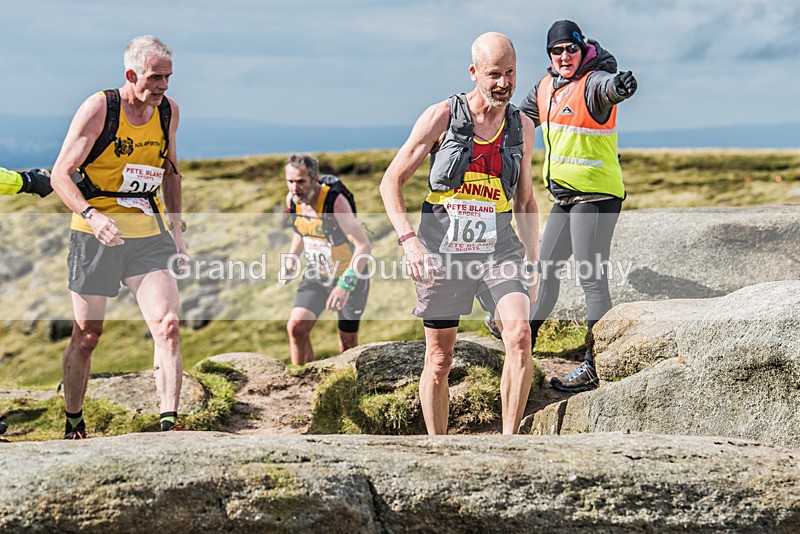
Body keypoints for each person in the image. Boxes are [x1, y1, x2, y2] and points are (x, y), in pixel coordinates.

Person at [380, 32, 539, 435]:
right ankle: (439, 449)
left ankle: (510, 443)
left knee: (519, 334)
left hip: (499, 249)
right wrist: (410, 241)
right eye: (493, 74)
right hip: (442, 251)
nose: (504, 83)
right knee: (439, 359)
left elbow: (525, 202)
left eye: (510, 73)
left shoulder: (521, 125)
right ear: (473, 72)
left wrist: (534, 263)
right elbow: (390, 182)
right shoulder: (442, 117)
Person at [50, 35, 187, 438]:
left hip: (148, 232)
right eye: (155, 77)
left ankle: (169, 421)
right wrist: (92, 216)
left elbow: (171, 170)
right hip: (95, 234)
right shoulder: (100, 109)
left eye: (168, 77)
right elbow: (61, 174)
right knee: (88, 335)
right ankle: (73, 419)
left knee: (168, 325)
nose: (163, 86)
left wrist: (177, 227)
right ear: (131, 74)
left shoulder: (168, 112)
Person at [492, 20, 637, 393]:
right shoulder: (545, 89)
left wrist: (619, 88)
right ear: (549, 56)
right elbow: (515, 116)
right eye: (556, 51)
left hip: (597, 197)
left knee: (590, 277)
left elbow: (609, 89)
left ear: (581, 48)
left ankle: (595, 364)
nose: (564, 56)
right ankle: (523, 342)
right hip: (566, 197)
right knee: (545, 269)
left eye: (570, 49)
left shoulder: (594, 83)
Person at [280, 154, 372, 366]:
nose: (295, 188)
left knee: (347, 346)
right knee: (296, 328)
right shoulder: (293, 201)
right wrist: (291, 260)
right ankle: (300, 381)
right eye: (290, 181)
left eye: (301, 181)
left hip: (350, 276)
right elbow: (302, 231)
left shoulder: (334, 203)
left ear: (314, 179)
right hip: (317, 273)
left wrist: (344, 285)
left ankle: (346, 390)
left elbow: (364, 246)